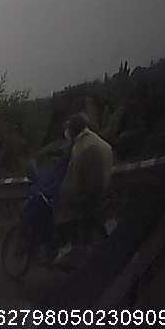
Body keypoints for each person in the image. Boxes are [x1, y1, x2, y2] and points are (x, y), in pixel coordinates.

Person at [53, 112, 114, 267]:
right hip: (104, 193)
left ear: (73, 130)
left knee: (60, 211)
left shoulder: (82, 147)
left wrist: (66, 194)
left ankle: (69, 252)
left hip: (89, 197)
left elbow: (73, 179)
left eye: (68, 129)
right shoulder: (96, 141)